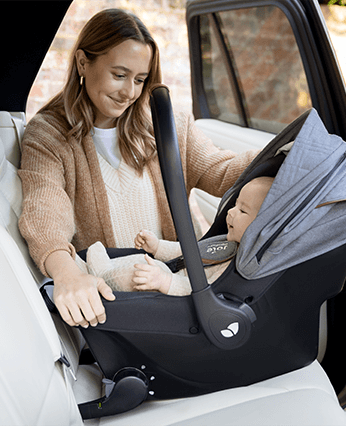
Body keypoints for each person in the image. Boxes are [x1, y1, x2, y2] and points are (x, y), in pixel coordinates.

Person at [18, 8, 256, 329]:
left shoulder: (166, 124)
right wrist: (68, 275)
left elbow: (222, 171)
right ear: (83, 63)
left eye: (140, 79)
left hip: (186, 287)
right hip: (128, 306)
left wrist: (283, 153)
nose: (130, 92)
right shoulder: (49, 134)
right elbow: (45, 212)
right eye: (119, 75)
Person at [82, 177, 274, 296]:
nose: (230, 212)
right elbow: (190, 251)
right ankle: (98, 269)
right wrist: (157, 247)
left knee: (141, 271)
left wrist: (165, 282)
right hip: (171, 273)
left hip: (173, 290)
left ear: (262, 226)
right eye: (235, 204)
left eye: (242, 210)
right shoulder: (228, 243)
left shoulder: (237, 266)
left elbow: (207, 292)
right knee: (146, 260)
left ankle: (101, 274)